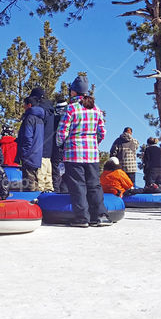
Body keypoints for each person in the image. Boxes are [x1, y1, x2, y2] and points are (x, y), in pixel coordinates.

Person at [56, 74, 109, 228]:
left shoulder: (71, 108)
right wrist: (94, 143)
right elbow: (102, 132)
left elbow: (62, 132)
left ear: (73, 92)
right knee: (94, 184)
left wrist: (62, 144)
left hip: (74, 153)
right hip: (92, 153)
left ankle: (82, 217)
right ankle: (100, 215)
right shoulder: (96, 109)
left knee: (78, 185)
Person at [28, 87, 57, 193]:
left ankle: (39, 205)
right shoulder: (51, 109)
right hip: (49, 149)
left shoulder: (39, 111)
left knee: (39, 182)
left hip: (39, 149)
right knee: (48, 182)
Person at [15, 96, 45, 191]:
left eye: (24, 104)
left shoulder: (29, 119)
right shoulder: (40, 119)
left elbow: (27, 137)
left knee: (28, 184)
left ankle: (29, 203)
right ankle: (36, 202)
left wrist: (24, 153)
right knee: (35, 181)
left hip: (29, 155)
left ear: (29, 105)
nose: (23, 107)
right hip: (37, 154)